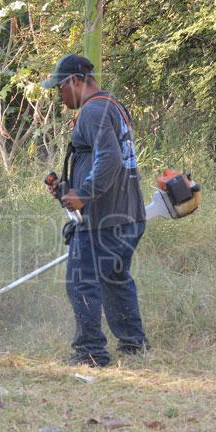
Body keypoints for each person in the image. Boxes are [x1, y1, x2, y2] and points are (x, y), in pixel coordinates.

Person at [42, 54, 148, 367]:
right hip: (127, 215)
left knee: (81, 280)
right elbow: (101, 159)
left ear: (75, 81)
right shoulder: (112, 106)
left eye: (60, 87)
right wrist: (68, 189)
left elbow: (109, 160)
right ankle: (133, 345)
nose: (59, 95)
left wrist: (85, 194)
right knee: (115, 279)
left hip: (104, 218)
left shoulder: (94, 110)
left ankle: (91, 353)